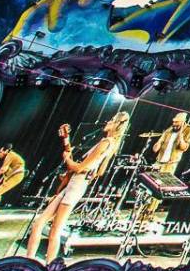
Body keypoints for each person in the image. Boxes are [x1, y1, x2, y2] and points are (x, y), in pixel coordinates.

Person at [24, 111, 130, 260]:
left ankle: (49, 265)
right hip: (75, 184)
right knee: (39, 223)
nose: (108, 122)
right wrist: (67, 142)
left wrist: (67, 159)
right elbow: (99, 171)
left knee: (55, 230)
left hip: (76, 186)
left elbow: (79, 168)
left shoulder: (105, 143)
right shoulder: (110, 144)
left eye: (112, 120)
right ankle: (29, 260)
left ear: (117, 124)